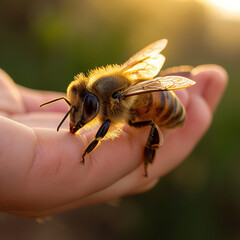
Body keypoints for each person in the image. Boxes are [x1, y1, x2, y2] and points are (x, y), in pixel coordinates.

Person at [0, 65, 227, 217]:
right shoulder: (98, 93)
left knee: (149, 126)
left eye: (85, 108)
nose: (79, 114)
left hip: (163, 104)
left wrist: (87, 151)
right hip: (146, 97)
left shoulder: (114, 99)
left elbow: (107, 124)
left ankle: (149, 157)